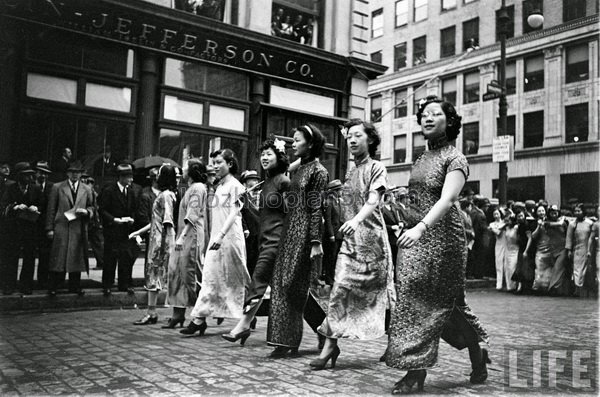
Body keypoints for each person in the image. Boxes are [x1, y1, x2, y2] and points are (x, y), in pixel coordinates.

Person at [387, 96, 489, 394]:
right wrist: (401, 216)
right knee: (413, 298)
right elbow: (419, 199)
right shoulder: (420, 159)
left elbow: (447, 200)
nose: (427, 119)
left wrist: (420, 227)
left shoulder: (455, 158)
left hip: (443, 240)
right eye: (424, 115)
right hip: (415, 235)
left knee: (439, 301)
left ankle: (419, 371)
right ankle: (470, 348)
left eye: (435, 114)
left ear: (450, 121)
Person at [310, 119, 394, 370]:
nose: (353, 141)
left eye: (358, 136)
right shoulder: (349, 172)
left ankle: (394, 342)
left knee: (382, 295)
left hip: (374, 244)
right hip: (350, 245)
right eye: (350, 137)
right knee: (340, 291)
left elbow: (373, 200)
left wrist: (356, 221)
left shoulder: (377, 167)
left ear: (370, 140)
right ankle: (330, 346)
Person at [267, 124, 329, 357]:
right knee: (284, 284)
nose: (293, 144)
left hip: (304, 234)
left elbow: (316, 208)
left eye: (298, 140)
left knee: (292, 284)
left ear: (311, 144)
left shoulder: (319, 172)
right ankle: (285, 341)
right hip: (288, 231)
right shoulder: (299, 169)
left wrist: (315, 241)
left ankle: (321, 328)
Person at [222, 139, 290, 345]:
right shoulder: (266, 183)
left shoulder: (284, 182)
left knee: (258, 278)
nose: (264, 158)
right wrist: (244, 204)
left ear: (279, 157)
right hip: (265, 241)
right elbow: (261, 217)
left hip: (278, 242)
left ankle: (243, 326)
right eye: (262, 155)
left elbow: (292, 215)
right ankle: (324, 329)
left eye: (269, 153)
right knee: (294, 292)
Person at [180, 149, 250, 336]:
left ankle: (249, 312)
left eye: (219, 162)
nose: (215, 166)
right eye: (214, 163)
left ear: (230, 164)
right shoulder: (218, 186)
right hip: (217, 239)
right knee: (211, 277)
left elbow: (235, 213)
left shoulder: (235, 186)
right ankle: (199, 319)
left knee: (235, 278)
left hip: (230, 239)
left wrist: (221, 236)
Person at [129, 164, 178, 325]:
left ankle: (153, 312)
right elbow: (156, 220)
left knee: (154, 276)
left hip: (160, 243)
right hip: (157, 240)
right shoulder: (168, 195)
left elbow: (168, 220)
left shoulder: (166, 196)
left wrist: (172, 245)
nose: (156, 177)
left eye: (160, 174)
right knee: (154, 277)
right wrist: (139, 232)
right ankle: (153, 312)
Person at [163, 160, 209, 329]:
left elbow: (193, 214)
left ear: (192, 171)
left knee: (189, 274)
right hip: (186, 235)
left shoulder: (198, 188)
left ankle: (200, 316)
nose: (182, 170)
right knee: (177, 273)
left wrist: (181, 237)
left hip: (192, 235)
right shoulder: (191, 188)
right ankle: (178, 314)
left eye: (185, 167)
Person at [46, 160, 95, 296]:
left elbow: (92, 206)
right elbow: (51, 208)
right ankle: (54, 286)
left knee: (76, 257)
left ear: (81, 175)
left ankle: (75, 286)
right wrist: (49, 228)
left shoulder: (86, 189)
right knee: (58, 257)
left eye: (77, 173)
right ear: (67, 173)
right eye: (72, 172)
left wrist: (87, 212)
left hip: (78, 227)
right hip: (61, 226)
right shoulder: (58, 187)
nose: (74, 175)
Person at [0, 162, 43, 295]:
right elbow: (3, 205)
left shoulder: (35, 188)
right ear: (19, 176)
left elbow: (42, 205)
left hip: (29, 228)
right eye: (25, 175)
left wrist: (36, 208)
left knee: (29, 257)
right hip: (13, 229)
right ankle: (9, 285)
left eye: (30, 175)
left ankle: (26, 285)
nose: (29, 178)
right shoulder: (10, 188)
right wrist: (15, 207)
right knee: (11, 257)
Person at [99, 164, 138, 296]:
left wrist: (131, 219)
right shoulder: (109, 190)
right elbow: (102, 210)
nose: (131, 180)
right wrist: (114, 219)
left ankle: (124, 284)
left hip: (125, 231)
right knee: (110, 258)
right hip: (112, 230)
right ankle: (107, 285)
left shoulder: (131, 192)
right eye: (128, 177)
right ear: (121, 177)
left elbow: (133, 209)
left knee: (125, 258)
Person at [531, 205, 569, 295]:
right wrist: (562, 220)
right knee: (554, 270)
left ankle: (553, 288)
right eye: (552, 212)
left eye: (555, 212)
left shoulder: (563, 222)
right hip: (552, 250)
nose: (554, 214)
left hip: (562, 248)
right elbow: (555, 224)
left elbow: (567, 233)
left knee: (557, 268)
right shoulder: (547, 223)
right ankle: (555, 288)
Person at [566, 204, 593, 297]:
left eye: (579, 211)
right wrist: (569, 250)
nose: (577, 213)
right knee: (577, 269)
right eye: (575, 211)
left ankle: (585, 289)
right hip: (577, 249)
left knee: (587, 270)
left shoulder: (590, 223)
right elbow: (569, 238)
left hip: (588, 249)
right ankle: (577, 289)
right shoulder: (572, 224)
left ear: (583, 212)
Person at [35, 161, 54, 289]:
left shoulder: (52, 187)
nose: (43, 176)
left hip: (45, 225)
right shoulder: (31, 186)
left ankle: (43, 280)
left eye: (45, 174)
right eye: (40, 173)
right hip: (31, 224)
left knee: (45, 254)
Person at [135, 167, 160, 266]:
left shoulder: (165, 193)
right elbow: (143, 215)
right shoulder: (145, 194)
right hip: (151, 231)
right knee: (151, 258)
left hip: (162, 231)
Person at [81, 173, 104, 271]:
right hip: (92, 221)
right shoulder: (91, 191)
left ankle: (101, 262)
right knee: (96, 243)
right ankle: (101, 262)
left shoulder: (91, 192)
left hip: (93, 221)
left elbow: (95, 207)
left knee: (96, 243)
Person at [240, 170, 261, 276]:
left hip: (259, 231)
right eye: (252, 179)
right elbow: (239, 213)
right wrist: (244, 228)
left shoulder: (261, 195)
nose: (256, 181)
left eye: (256, 179)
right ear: (245, 182)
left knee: (256, 259)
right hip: (247, 232)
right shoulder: (242, 196)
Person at [322, 179, 343, 285]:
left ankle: (333, 277)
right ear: (335, 191)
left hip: (339, 234)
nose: (341, 192)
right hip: (332, 235)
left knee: (335, 257)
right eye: (340, 190)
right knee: (330, 257)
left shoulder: (338, 201)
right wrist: (331, 234)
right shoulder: (329, 202)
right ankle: (328, 278)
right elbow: (328, 219)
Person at [489, 208, 507, 290]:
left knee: (507, 264)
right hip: (499, 244)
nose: (496, 215)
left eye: (497, 213)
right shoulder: (492, 224)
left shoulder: (505, 222)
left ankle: (507, 283)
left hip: (507, 244)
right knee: (499, 264)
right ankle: (499, 283)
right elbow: (498, 233)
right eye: (494, 214)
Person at [503, 212, 519, 292]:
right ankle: (509, 286)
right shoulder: (506, 228)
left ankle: (514, 285)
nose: (507, 221)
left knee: (512, 267)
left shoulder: (516, 227)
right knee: (507, 268)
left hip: (515, 249)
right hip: (507, 249)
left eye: (509, 220)